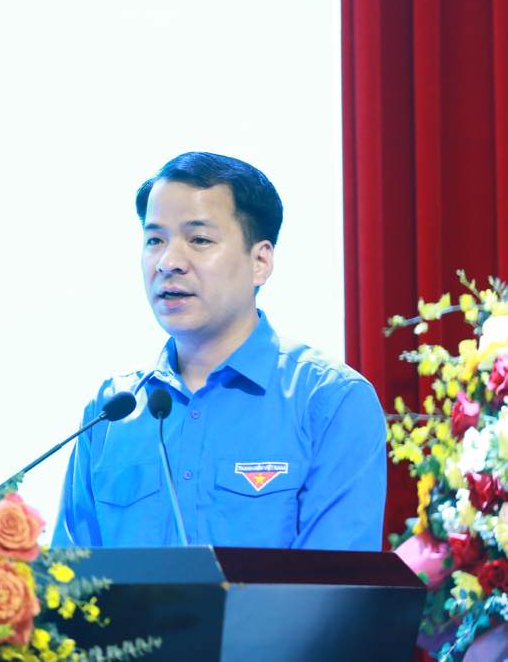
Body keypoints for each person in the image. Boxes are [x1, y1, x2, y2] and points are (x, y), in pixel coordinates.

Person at [52, 152, 386, 550]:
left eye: (199, 240)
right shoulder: (112, 411)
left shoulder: (329, 401)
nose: (169, 262)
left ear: (260, 261)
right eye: (155, 240)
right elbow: (69, 576)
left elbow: (334, 581)